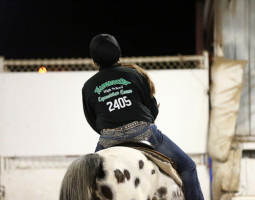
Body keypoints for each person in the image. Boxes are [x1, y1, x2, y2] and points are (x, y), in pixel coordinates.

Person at [82, 34, 204, 200]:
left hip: (108, 138)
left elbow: (92, 120)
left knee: (86, 183)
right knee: (188, 167)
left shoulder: (88, 87)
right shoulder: (134, 75)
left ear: (94, 61)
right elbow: (151, 109)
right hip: (144, 133)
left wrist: (112, 128)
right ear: (118, 54)